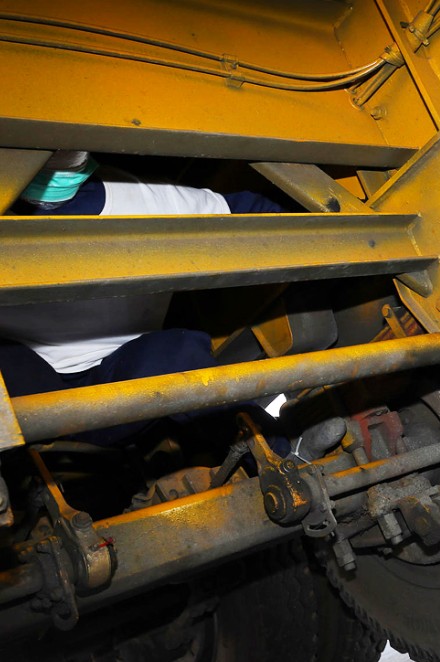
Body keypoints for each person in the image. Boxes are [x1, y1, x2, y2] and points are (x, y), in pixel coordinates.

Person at [0, 151, 285, 448]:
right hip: (31, 370)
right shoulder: (144, 200)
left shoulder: (144, 203)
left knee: (178, 358)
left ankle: (280, 458)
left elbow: (257, 215)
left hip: (117, 371)